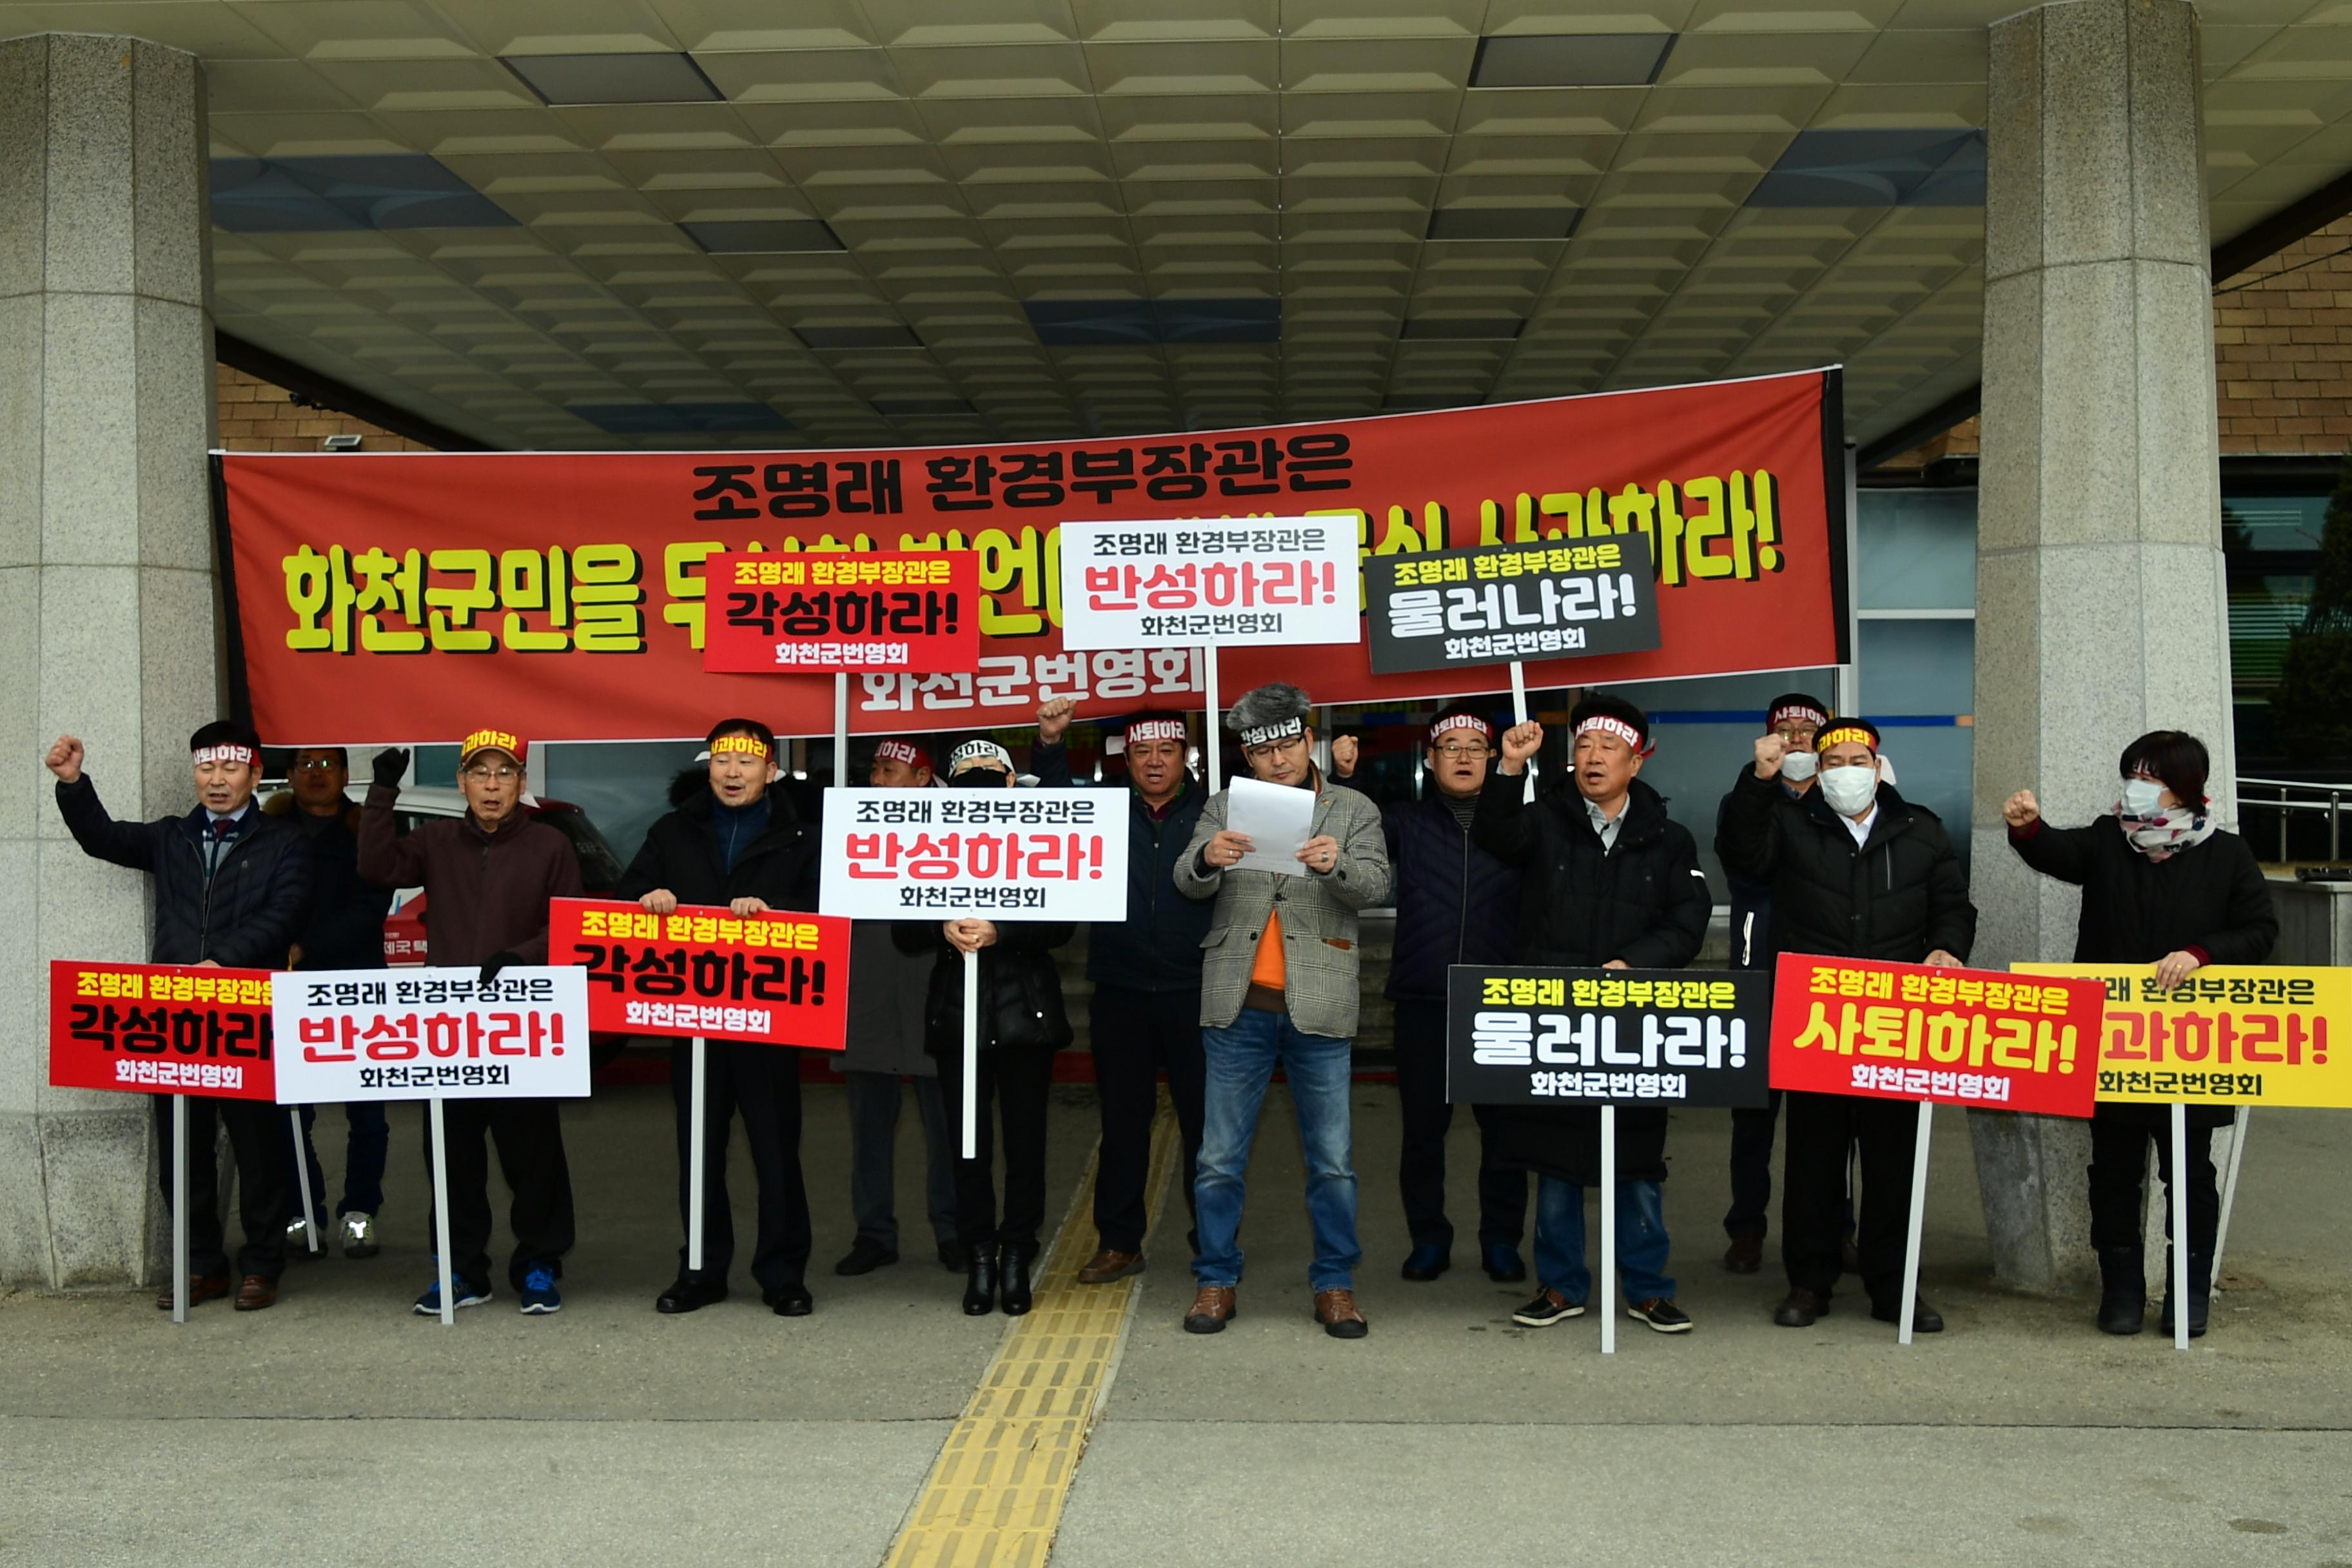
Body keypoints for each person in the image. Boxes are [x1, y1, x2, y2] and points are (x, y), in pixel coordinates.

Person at [2004, 730, 2277, 1338]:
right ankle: (2121, 1289)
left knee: (2190, 1173)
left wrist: (2202, 954)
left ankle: (2189, 1292)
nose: (2139, 786)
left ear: (2187, 787)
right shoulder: (2110, 839)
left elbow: (2259, 931)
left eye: (2152, 776)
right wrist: (2028, 829)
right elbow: (2060, 854)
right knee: (2113, 1170)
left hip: (2192, 1048)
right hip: (2113, 1042)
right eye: (2134, 772)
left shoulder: (2226, 853)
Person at [1720, 716, 1975, 1334]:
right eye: (1832, 762)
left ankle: (1895, 1287)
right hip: (1819, 1020)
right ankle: (1810, 1282)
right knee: (1814, 1158)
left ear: (1878, 765)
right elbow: (1741, 853)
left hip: (1896, 1018)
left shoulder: (1921, 830)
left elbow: (1952, 904)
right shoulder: (1791, 822)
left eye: (1856, 759)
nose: (1845, 771)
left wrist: (1947, 948)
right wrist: (1760, 780)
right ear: (1818, 770)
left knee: (1894, 1160)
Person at [48, 723, 312, 1311]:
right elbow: (103, 838)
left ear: (254, 772)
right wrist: (73, 785)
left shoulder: (286, 842)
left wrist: (227, 960)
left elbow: (288, 912)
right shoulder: (172, 837)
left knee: (259, 1147)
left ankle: (263, 1265)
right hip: (175, 1018)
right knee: (181, 1148)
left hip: (248, 1012)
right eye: (206, 770)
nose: (216, 781)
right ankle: (200, 1265)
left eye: (230, 770)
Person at [1473, 695, 1711, 1335]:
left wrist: (1634, 962)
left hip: (1632, 1018)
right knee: (1553, 1159)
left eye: (1609, 747)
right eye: (1583, 746)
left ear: (1638, 760)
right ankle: (1560, 1284)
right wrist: (1508, 770)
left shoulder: (1668, 835)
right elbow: (1494, 834)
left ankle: (1649, 1287)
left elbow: (1688, 922)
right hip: (1555, 1016)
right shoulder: (1544, 819)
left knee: (1636, 1161)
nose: (1593, 757)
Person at [1175, 683, 1390, 1339]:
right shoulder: (1223, 805)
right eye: (1264, 749)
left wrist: (1338, 866)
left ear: (1308, 742)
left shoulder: (1352, 807)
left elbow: (1378, 885)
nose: (1278, 759)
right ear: (1247, 753)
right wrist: (1209, 859)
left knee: (1332, 1159)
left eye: (1289, 744)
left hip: (1318, 1001)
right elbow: (1186, 877)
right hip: (1237, 1002)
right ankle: (1216, 1278)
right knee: (1217, 1157)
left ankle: (1335, 1283)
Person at [359, 728, 582, 1317]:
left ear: (522, 784)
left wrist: (522, 957)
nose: (491, 785)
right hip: (450, 1026)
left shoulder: (550, 846)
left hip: (524, 1022)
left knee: (533, 1153)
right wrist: (381, 792)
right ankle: (461, 1270)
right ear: (461, 783)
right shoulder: (435, 840)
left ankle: (539, 1263)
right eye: (479, 773)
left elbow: (570, 924)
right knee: (452, 1152)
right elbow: (378, 867)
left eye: (504, 774)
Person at [616, 719, 824, 1318]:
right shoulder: (674, 829)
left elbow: (827, 911)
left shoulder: (801, 832)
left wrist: (776, 915)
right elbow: (625, 894)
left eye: (747, 762)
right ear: (708, 767)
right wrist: (647, 900)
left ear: (772, 770)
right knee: (699, 1149)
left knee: (776, 1150)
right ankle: (701, 1271)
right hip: (697, 1019)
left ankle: (783, 1273)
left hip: (768, 1019)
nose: (733, 773)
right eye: (722, 761)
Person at [1032, 699, 1212, 1284]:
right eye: (1142, 752)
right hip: (1121, 988)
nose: (1155, 762)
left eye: (1166, 751)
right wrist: (1052, 743)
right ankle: (1118, 1242)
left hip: (1199, 989)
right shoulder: (1102, 810)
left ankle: (1212, 1242)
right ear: (1125, 759)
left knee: (1207, 1125)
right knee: (1124, 1123)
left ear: (1185, 756)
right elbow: (1052, 804)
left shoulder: (1215, 812)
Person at [894, 738, 1075, 1317]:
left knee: (1026, 1146)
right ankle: (979, 1256)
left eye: (988, 776)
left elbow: (1065, 922)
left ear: (1010, 783)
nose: (978, 785)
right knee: (965, 1149)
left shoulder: (1040, 836)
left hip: (1026, 1016)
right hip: (958, 1016)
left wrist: (1003, 931)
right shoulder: (926, 844)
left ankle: (1018, 1254)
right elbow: (902, 930)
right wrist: (937, 926)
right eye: (964, 776)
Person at [1380, 706, 1530, 1284]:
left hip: (1501, 998)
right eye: (1450, 746)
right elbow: (1339, 834)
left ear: (1495, 759)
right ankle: (1428, 1239)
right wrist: (1340, 779)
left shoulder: (1521, 823)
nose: (1464, 756)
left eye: (1476, 746)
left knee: (1504, 1134)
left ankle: (1501, 1239)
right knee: (1422, 1133)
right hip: (1425, 996)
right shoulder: (1405, 821)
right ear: (1430, 759)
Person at [836, 737, 963, 1278]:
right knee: (868, 1125)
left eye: (891, 770)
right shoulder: (850, 825)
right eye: (875, 770)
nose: (879, 780)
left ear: (922, 777)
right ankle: (874, 1233)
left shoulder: (958, 826)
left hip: (933, 987)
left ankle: (953, 1230)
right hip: (866, 986)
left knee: (948, 1125)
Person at [267, 747, 395, 1262]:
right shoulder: (270, 831)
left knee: (368, 1115)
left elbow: (372, 909)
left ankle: (360, 1213)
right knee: (292, 1111)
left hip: (358, 986)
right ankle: (305, 1212)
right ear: (290, 774)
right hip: (288, 987)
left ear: (345, 773)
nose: (316, 775)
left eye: (327, 765)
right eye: (305, 765)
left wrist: (307, 946)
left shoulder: (366, 830)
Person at [1717, 692, 1830, 1275]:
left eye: (1809, 731)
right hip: (1758, 975)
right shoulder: (1747, 798)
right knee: (1753, 1119)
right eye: (1784, 730)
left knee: (1831, 1122)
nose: (1796, 740)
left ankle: (1837, 1232)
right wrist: (1759, 782)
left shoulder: (1843, 802)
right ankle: (1748, 1229)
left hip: (1825, 983)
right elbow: (1740, 854)